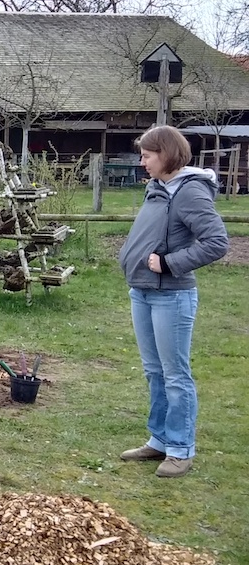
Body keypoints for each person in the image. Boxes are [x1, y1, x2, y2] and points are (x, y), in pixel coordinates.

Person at [117, 124, 229, 478]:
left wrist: (168, 264)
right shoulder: (157, 188)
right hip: (142, 291)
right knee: (154, 372)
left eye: (147, 156)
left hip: (171, 296)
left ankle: (181, 450)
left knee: (175, 374)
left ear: (166, 154)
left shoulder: (190, 191)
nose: (142, 162)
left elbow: (216, 242)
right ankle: (160, 439)